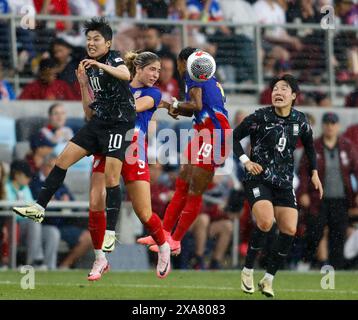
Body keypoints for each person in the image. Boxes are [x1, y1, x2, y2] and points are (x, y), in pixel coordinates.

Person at [13, 16, 136, 258]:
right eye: (88, 39)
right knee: (61, 160)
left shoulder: (113, 58)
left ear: (108, 43)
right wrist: (82, 85)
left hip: (120, 124)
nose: (91, 43)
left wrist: (100, 66)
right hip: (99, 122)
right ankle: (39, 207)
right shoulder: (88, 68)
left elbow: (125, 75)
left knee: (111, 179)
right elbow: (88, 111)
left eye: (96, 39)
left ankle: (110, 232)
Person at [80, 51, 172, 280]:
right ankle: (100, 258)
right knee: (95, 202)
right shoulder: (117, 86)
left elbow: (131, 108)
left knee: (144, 212)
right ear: (138, 68)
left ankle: (163, 245)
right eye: (152, 69)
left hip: (133, 149)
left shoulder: (152, 93)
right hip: (107, 145)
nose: (156, 74)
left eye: (158, 71)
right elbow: (90, 116)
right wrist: (85, 86)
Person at [234, 74, 323, 297]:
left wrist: (314, 173)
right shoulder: (259, 117)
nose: (278, 92)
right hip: (258, 178)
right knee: (265, 222)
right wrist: (246, 161)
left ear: (293, 96)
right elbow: (233, 138)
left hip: (283, 182)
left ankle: (268, 279)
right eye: (275, 88)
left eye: (284, 89)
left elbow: (310, 147)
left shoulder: (300, 120)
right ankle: (247, 270)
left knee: (290, 229)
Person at [137, 47, 231, 258]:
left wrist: (175, 105)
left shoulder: (193, 74)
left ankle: (176, 240)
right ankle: (163, 233)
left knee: (194, 189)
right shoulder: (206, 75)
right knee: (182, 184)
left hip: (215, 136)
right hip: (202, 132)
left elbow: (196, 105)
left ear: (183, 62)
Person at [297, 112, 358, 270]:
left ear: (338, 126)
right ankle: (320, 263)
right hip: (318, 198)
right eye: (327, 123)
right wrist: (302, 192)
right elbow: (304, 171)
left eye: (333, 123)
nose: (330, 126)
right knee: (317, 230)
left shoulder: (347, 146)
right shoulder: (314, 146)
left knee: (339, 233)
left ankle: (336, 266)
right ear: (323, 125)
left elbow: (356, 170)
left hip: (341, 198)